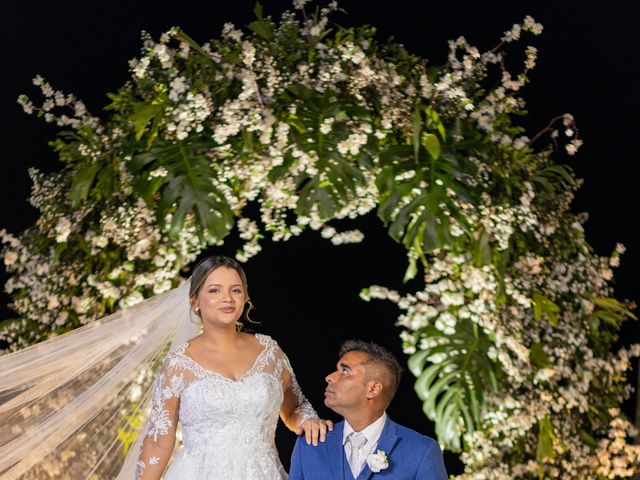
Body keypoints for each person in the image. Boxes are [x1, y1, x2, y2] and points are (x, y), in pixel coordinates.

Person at [135, 255, 333, 479]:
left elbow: (295, 408)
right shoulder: (178, 363)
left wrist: (309, 421)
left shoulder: (270, 351)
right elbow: (158, 441)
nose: (227, 298)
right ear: (194, 300)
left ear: (245, 297)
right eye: (214, 290)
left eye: (236, 290)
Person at [289, 340, 448, 480]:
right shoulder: (309, 445)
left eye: (345, 371)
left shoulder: (422, 450)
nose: (330, 377)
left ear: (373, 389)